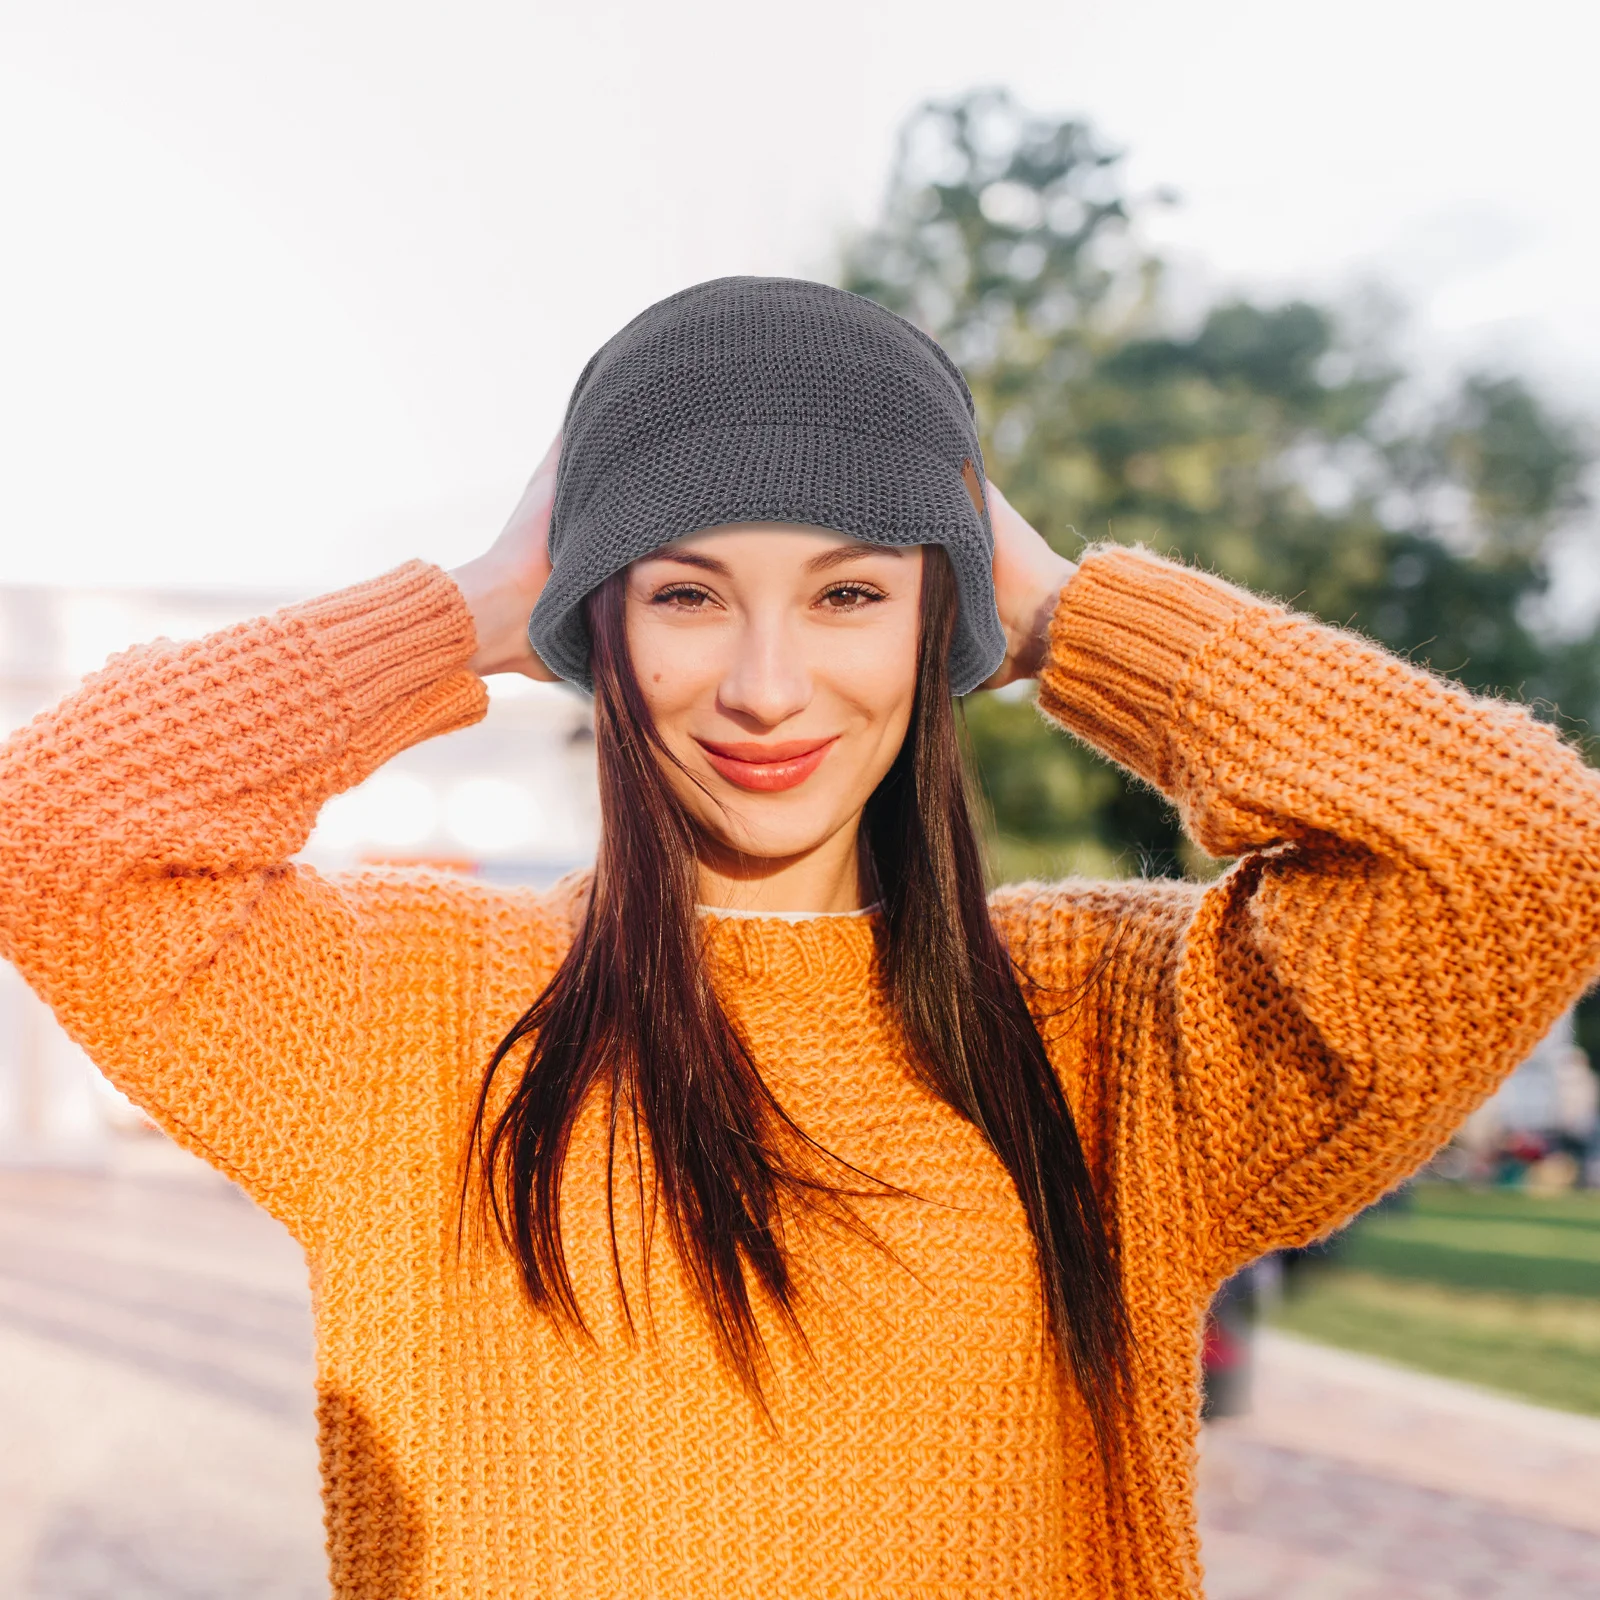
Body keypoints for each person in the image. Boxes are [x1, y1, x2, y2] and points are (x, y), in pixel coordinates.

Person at [2, 275, 1596, 1598]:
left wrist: (1064, 612)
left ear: (937, 625)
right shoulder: (408, 1017)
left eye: (850, 597)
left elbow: (1520, 851)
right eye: (687, 597)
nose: (767, 685)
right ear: (600, 629)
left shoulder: (1110, 1028)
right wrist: (478, 605)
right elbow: (57, 830)